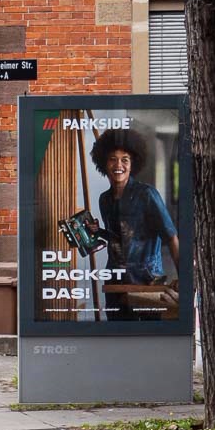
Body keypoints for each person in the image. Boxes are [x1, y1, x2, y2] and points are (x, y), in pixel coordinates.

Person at [90, 129, 182, 320]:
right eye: (113, 159)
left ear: (132, 164)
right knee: (117, 330)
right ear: (104, 164)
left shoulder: (147, 195)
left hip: (146, 281)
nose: (118, 165)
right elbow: (119, 237)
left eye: (125, 160)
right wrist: (98, 232)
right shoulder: (104, 200)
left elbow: (171, 237)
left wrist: (184, 278)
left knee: (148, 332)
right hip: (115, 281)